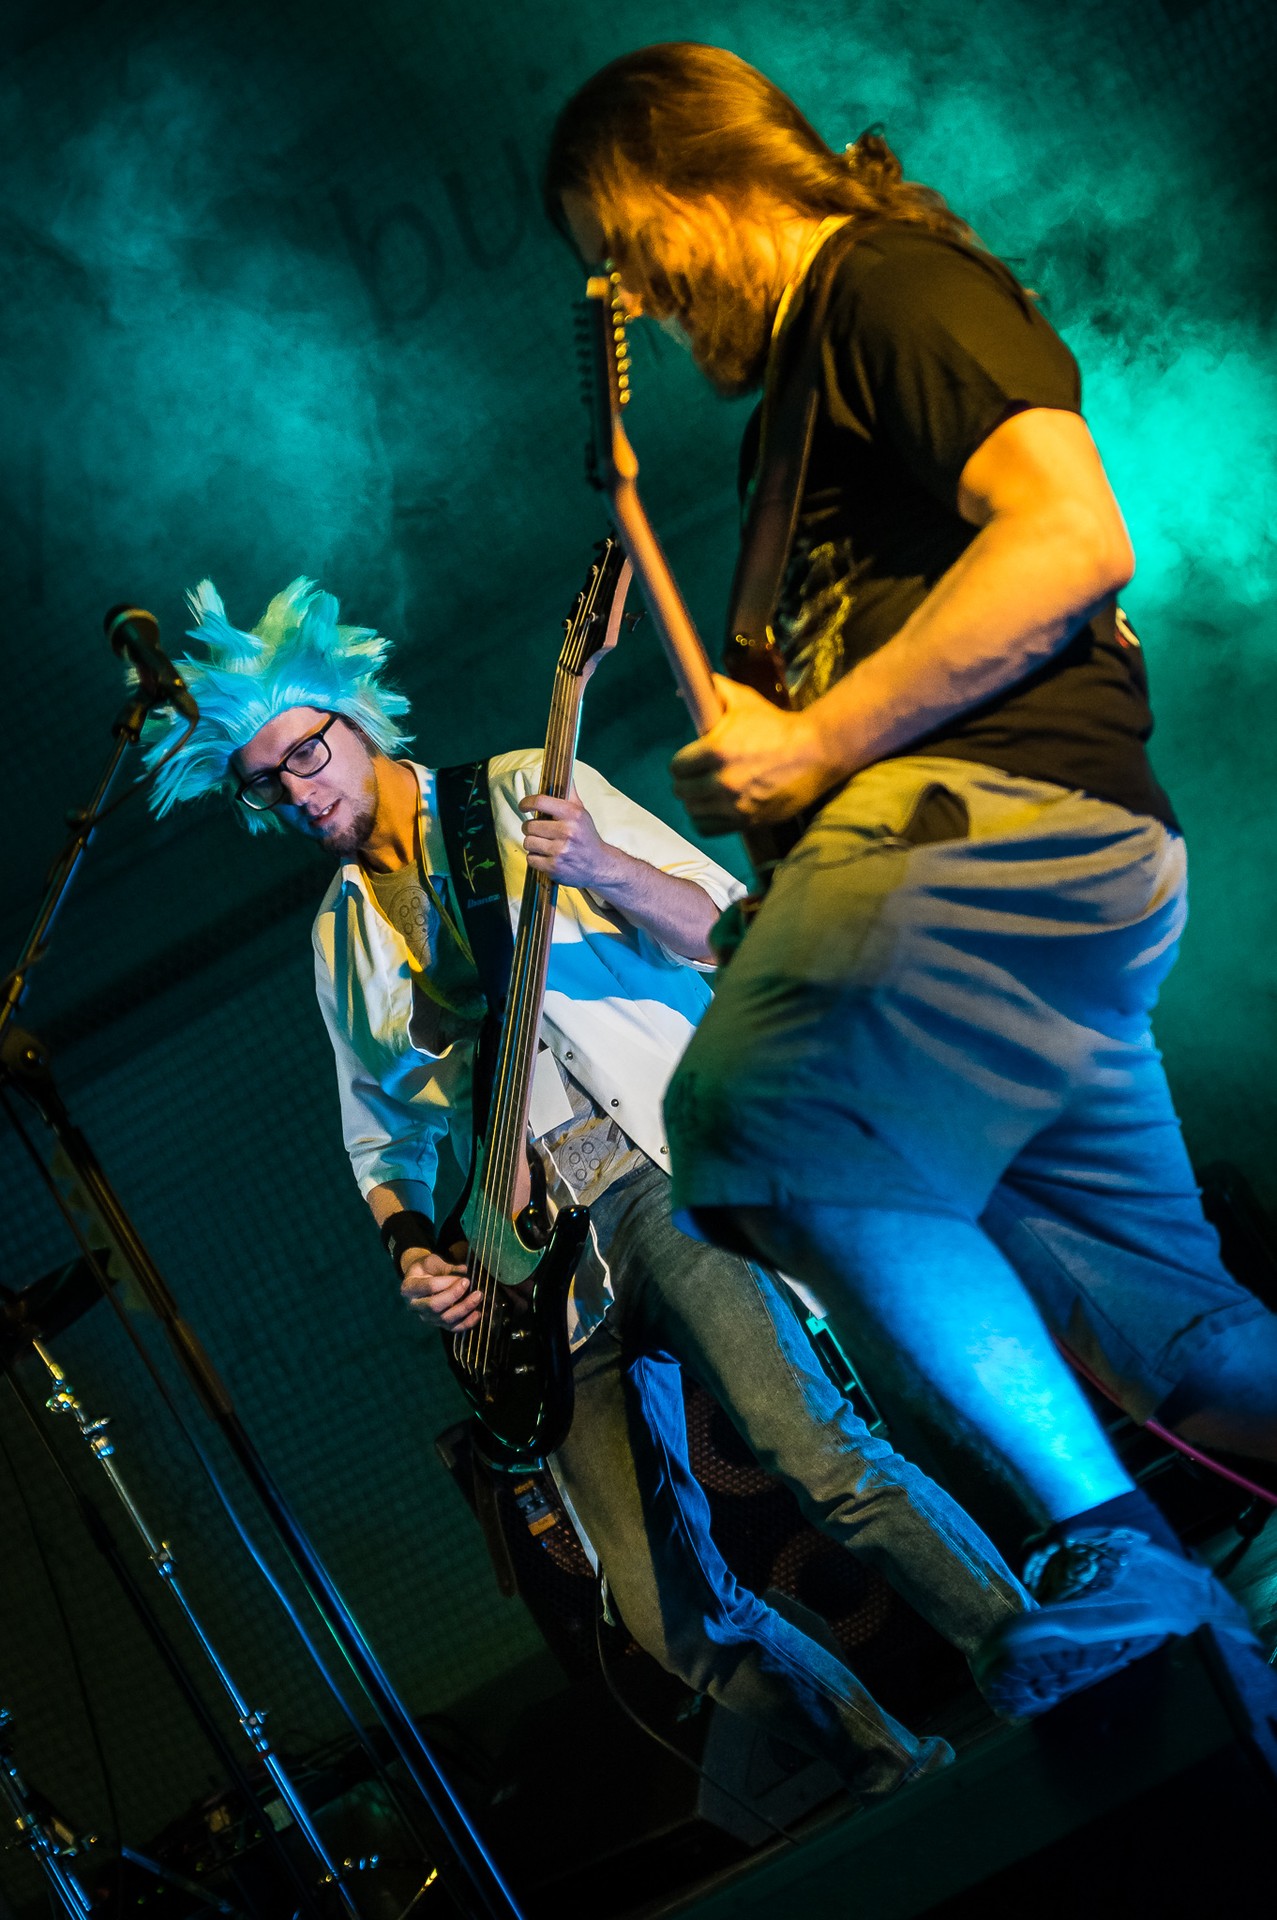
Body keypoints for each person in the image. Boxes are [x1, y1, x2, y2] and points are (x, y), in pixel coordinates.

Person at [543, 42, 1275, 1713]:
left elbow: (1069, 536)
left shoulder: (881, 284)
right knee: (1182, 1346)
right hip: (992, 888)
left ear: (699, 177)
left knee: (753, 1116)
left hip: (999, 827)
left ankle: (1113, 1548)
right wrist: (778, 769)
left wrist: (815, 741)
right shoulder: (786, 424)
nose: (630, 294)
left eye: (625, 243)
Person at [141, 574, 1041, 1804]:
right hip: (531, 1265)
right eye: (267, 783)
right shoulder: (336, 938)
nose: (300, 792)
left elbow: (723, 924)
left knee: (816, 1455)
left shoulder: (518, 788)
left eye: (308, 753)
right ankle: (890, 1774)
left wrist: (605, 867)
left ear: (358, 722)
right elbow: (377, 1143)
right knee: (659, 1610)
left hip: (655, 1174)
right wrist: (411, 1246)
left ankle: (1038, 1651)